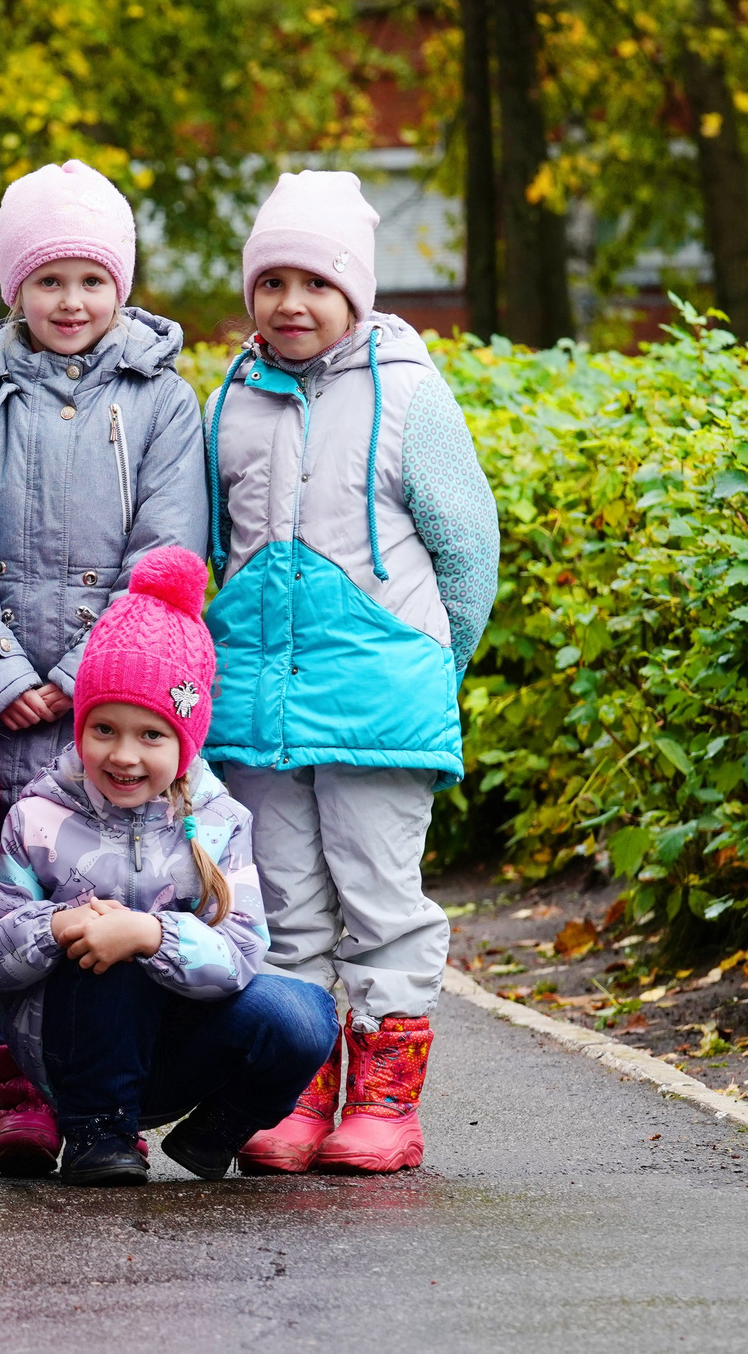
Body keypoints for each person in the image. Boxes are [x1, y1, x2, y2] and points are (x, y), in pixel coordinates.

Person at [202, 172, 499, 1174]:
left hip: (381, 701)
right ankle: (294, 1093)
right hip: (260, 708)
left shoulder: (410, 393)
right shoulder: (230, 401)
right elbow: (215, 549)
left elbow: (467, 549)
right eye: (271, 282)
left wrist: (430, 664)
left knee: (379, 900)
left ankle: (384, 1102)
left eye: (315, 283)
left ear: (355, 291)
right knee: (282, 905)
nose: (291, 303)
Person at [0, 161, 209, 1177]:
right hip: (7, 699)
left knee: (119, 875)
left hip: (116, 696)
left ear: (121, 287)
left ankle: (107, 1091)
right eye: (48, 280)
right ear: (16, 286)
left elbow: (166, 545)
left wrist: (84, 671)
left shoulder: (161, 399)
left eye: (92, 280)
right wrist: (4, 670)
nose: (70, 302)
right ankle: (22, 1088)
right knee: (16, 887)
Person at [0, 545, 338, 1185]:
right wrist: (59, 926)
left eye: (152, 735)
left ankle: (217, 1129)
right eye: (104, 729)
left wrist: (153, 934)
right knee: (102, 952)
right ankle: (98, 1132)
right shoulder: (38, 817)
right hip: (70, 1049)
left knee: (306, 1014)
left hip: (179, 1047)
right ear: (80, 727)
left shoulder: (220, 822)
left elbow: (244, 950)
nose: (124, 756)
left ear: (186, 741)